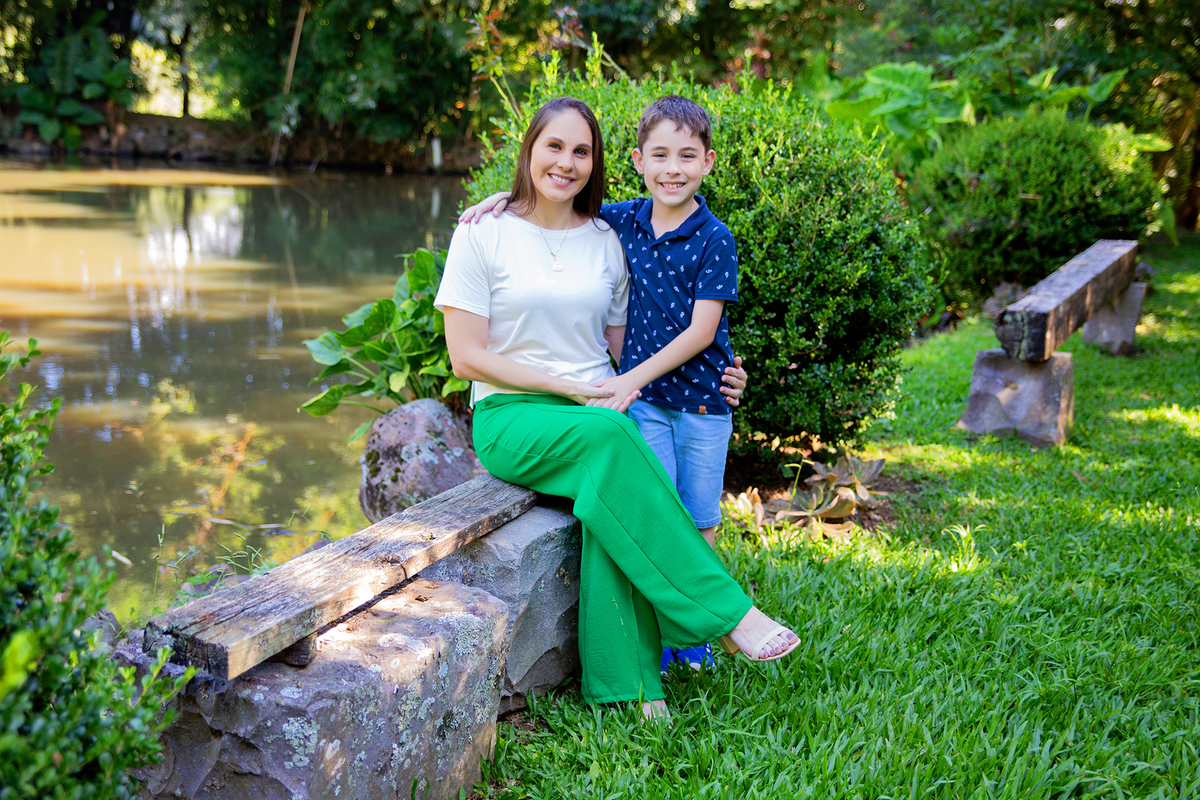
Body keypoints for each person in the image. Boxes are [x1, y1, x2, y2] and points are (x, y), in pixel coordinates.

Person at [435, 96, 799, 721]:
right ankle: (727, 614)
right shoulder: (482, 233)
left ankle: (631, 685)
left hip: (600, 407)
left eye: (582, 152)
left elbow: (628, 342)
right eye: (554, 146)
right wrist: (566, 388)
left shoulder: (608, 236)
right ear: (529, 151)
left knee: (613, 486)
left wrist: (721, 379)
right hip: (516, 415)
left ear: (598, 163)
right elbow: (465, 357)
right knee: (611, 439)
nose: (567, 162)